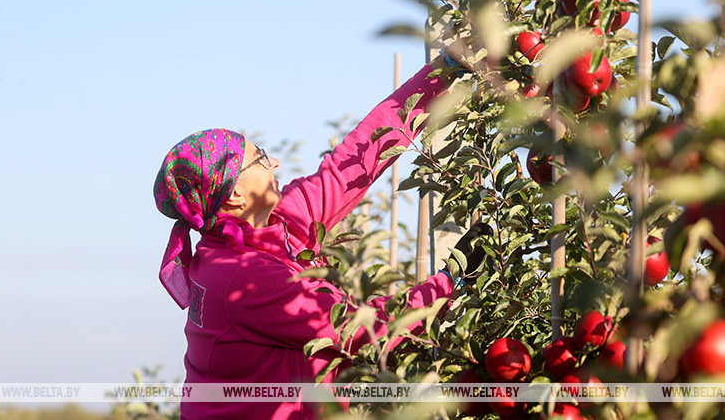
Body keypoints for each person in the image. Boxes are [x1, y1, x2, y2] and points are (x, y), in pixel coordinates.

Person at [153, 51, 485, 419]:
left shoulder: (279, 219)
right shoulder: (239, 277)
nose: (274, 162)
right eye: (260, 157)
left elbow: (354, 160)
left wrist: (441, 72)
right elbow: (355, 329)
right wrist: (448, 282)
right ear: (233, 194)